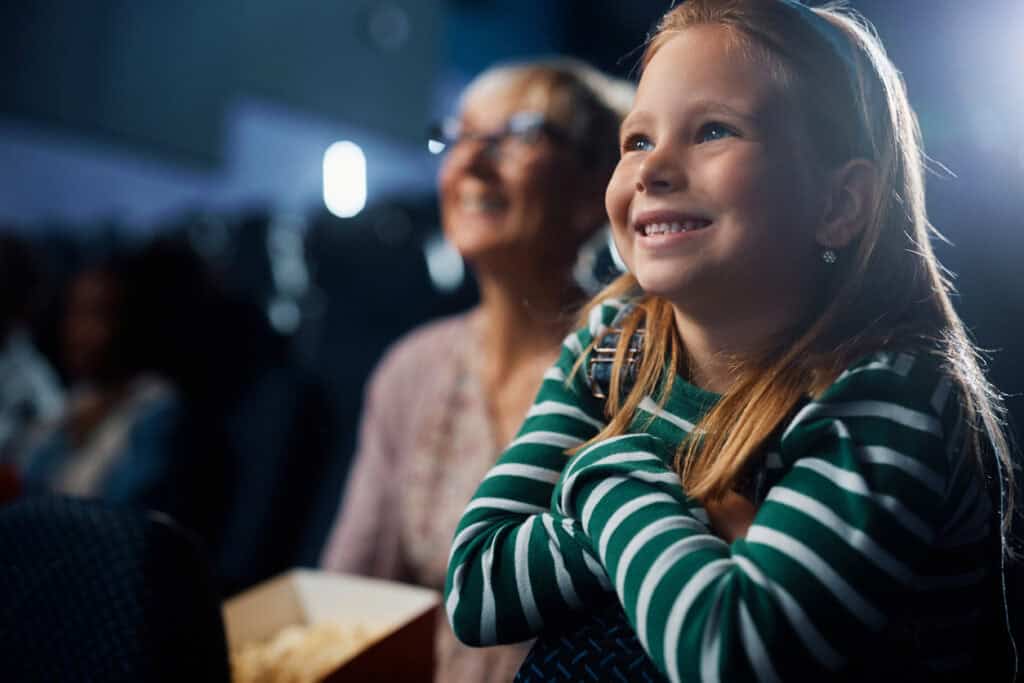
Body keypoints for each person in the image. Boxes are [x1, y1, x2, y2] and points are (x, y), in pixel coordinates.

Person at [445, 1, 1018, 681]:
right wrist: (671, 512)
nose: (652, 169)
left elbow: (730, 646)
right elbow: (475, 586)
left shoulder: (886, 392)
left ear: (838, 205)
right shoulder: (612, 339)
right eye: (637, 140)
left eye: (714, 129)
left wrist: (599, 478)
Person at [319, 59, 633, 681]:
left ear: (596, 184)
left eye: (517, 134)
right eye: (458, 137)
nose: (469, 163)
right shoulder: (413, 369)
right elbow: (343, 604)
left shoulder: (635, 363)